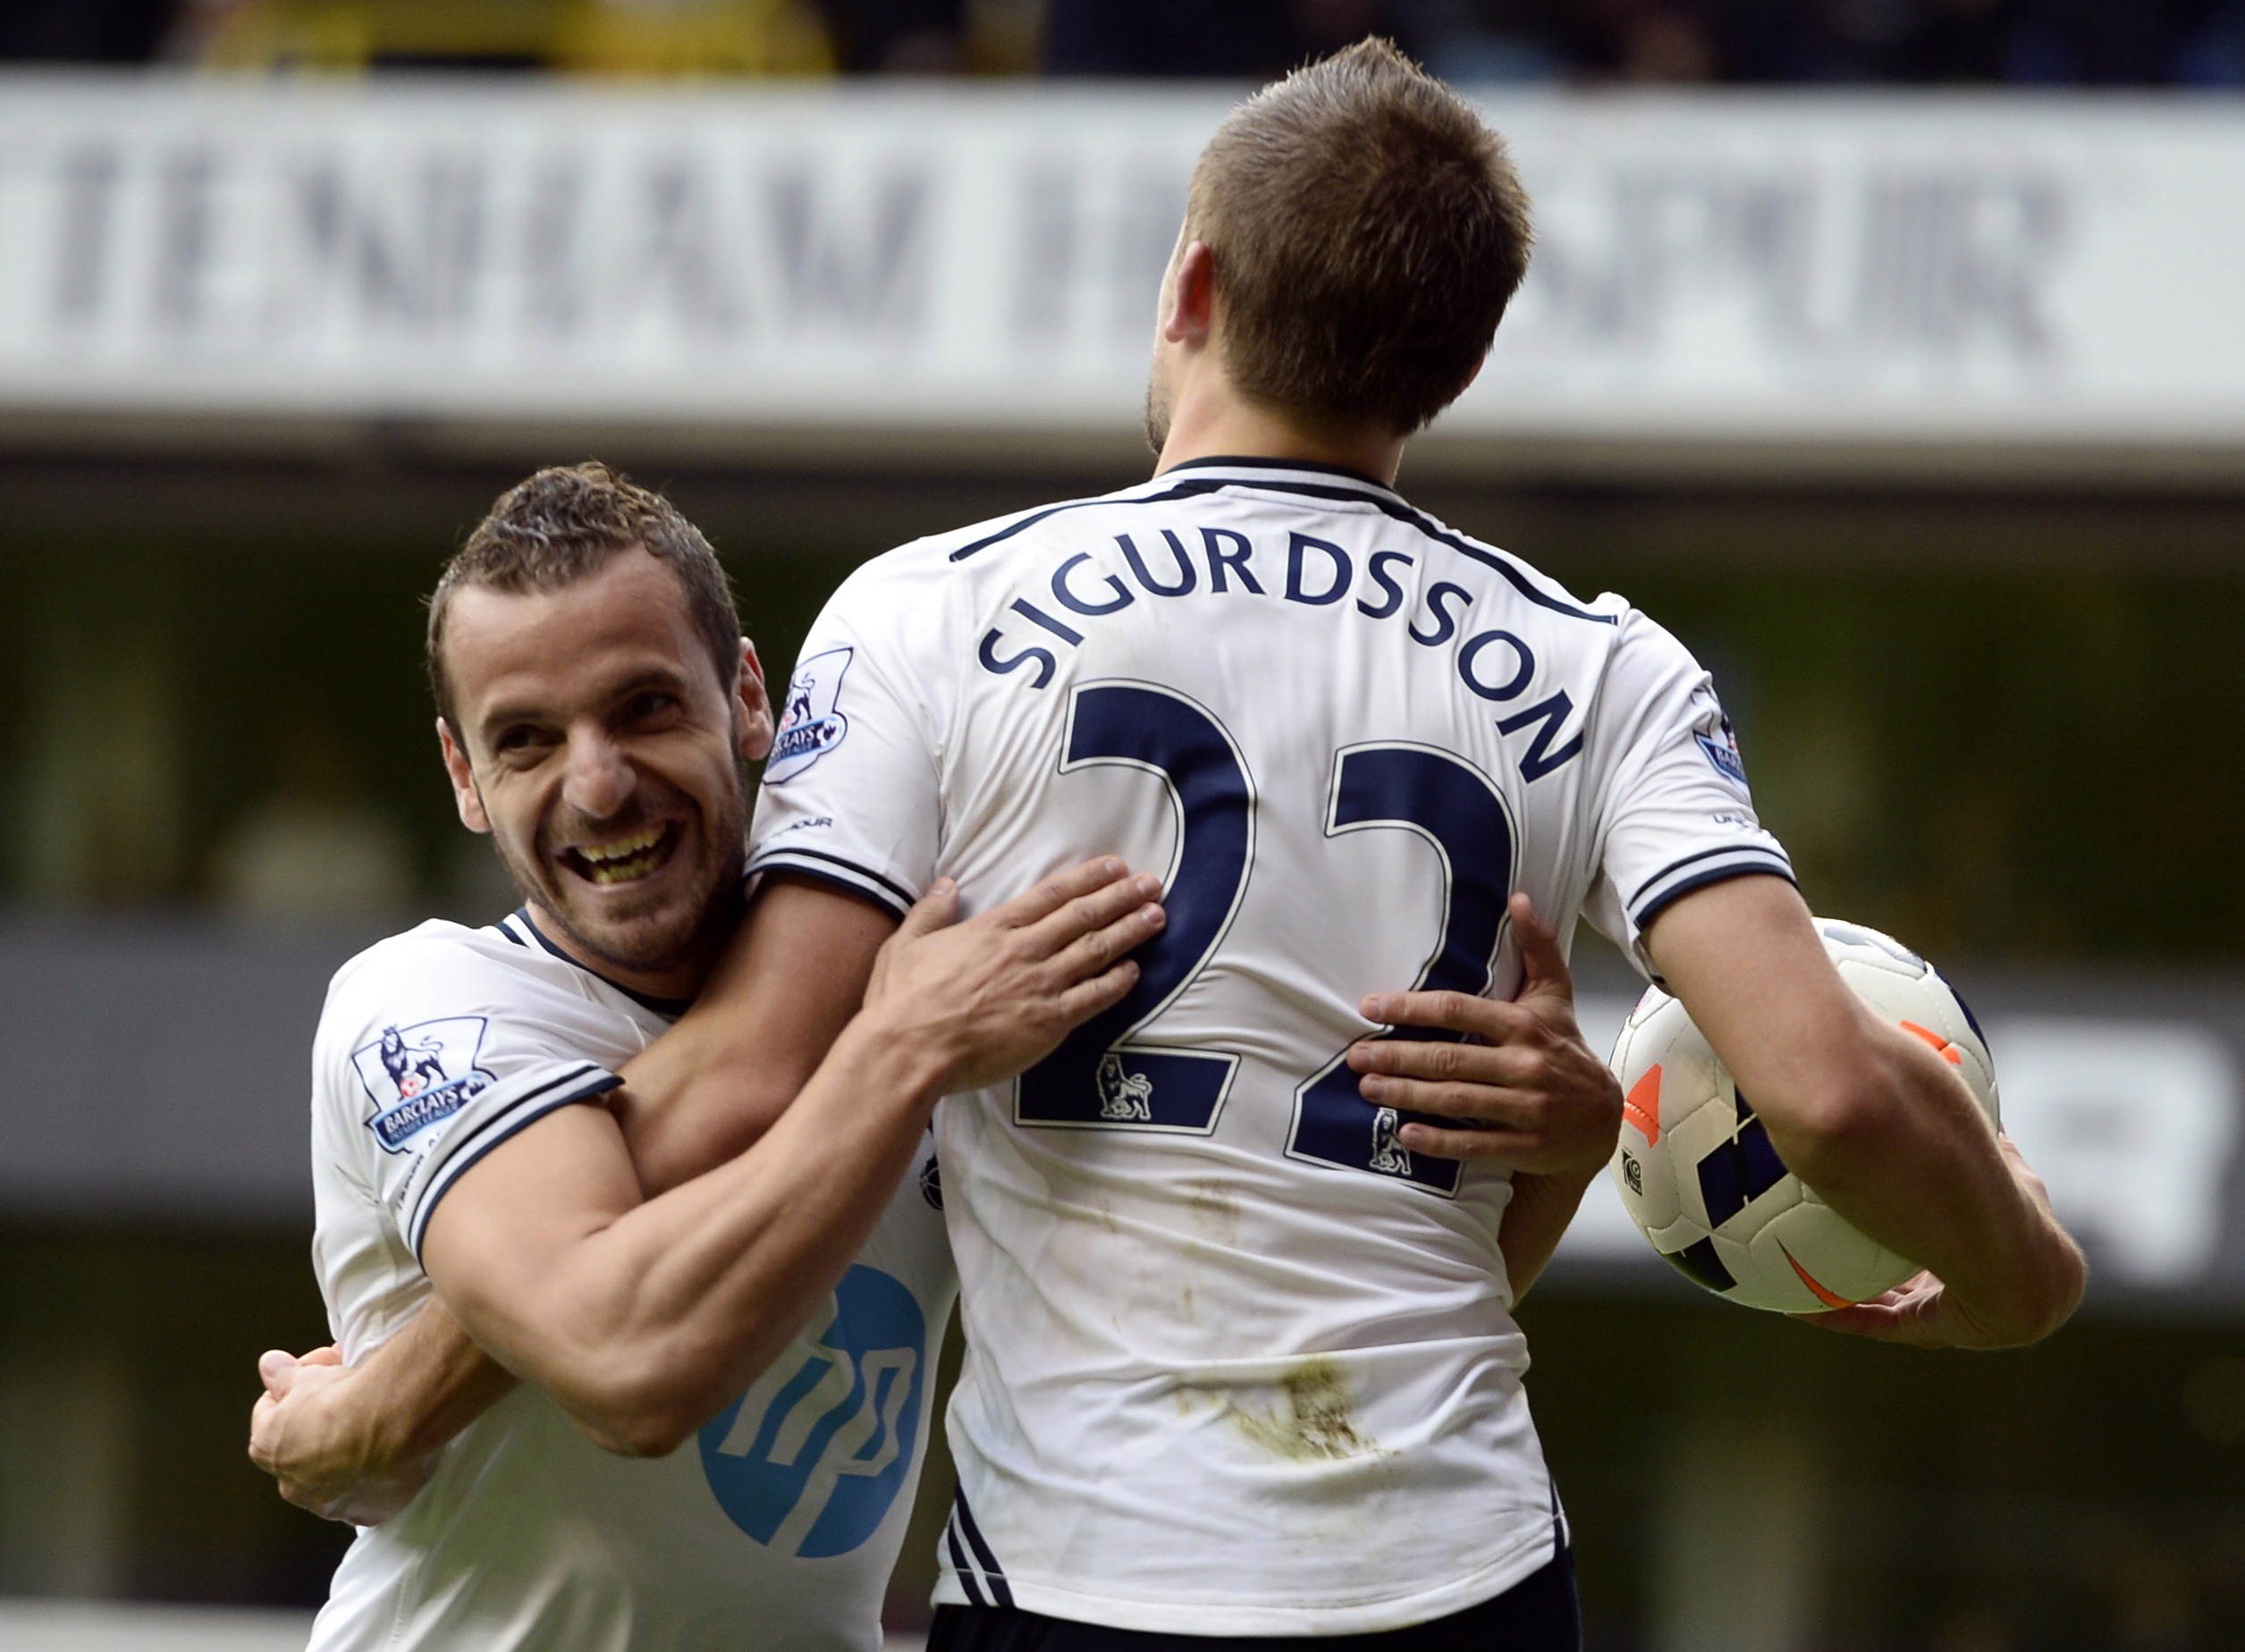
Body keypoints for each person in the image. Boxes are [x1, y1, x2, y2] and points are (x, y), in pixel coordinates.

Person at [266, 461, 1170, 1651]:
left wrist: (1504, 1142)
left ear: (751, 698)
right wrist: (895, 1055)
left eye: (644, 708)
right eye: (527, 740)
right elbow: (623, 1353)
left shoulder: (945, 993)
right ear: (462, 778)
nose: (598, 784)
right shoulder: (429, 1006)